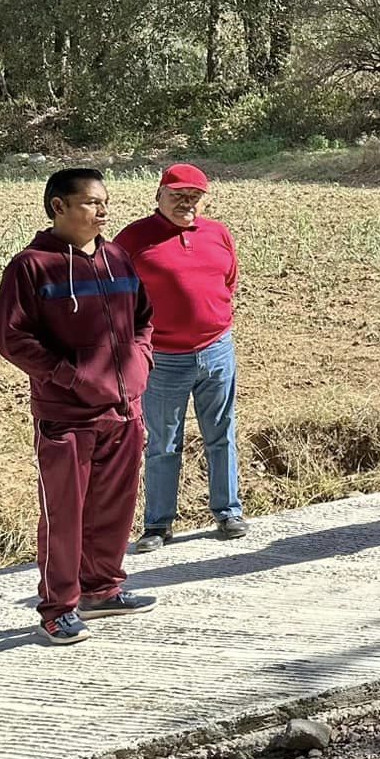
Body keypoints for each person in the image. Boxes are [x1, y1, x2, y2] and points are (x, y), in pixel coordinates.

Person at [0, 168, 157, 645]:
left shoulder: (118, 259)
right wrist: (72, 378)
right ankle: (57, 609)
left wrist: (141, 362)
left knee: (115, 507)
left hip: (126, 410)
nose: (102, 210)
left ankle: (102, 590)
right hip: (67, 416)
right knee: (65, 515)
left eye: (105, 201)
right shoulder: (31, 266)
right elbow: (13, 338)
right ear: (58, 206)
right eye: (90, 202)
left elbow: (144, 319)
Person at [115, 162, 245, 553]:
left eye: (194, 197)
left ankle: (228, 511)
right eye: (177, 196)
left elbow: (229, 281)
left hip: (217, 350)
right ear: (159, 195)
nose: (186, 203)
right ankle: (158, 524)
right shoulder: (134, 239)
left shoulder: (218, 233)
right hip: (164, 359)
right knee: (163, 442)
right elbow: (118, 297)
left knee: (221, 434)